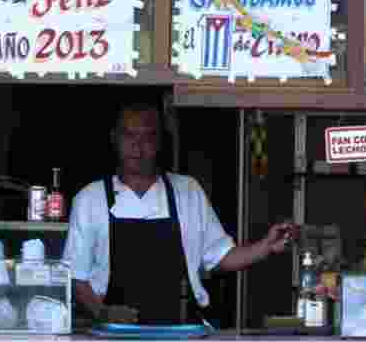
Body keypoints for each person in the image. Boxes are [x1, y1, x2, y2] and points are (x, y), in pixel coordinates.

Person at [63, 102, 298, 325]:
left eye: (148, 136)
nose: (138, 146)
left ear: (159, 141)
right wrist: (103, 313)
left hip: (182, 332)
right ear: (115, 138)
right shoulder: (90, 200)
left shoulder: (187, 191)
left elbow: (220, 257)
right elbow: (75, 276)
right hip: (114, 336)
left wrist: (266, 246)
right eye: (129, 135)